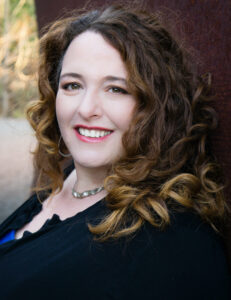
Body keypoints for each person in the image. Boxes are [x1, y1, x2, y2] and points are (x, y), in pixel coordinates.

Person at [0, 4, 230, 299]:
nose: (86, 109)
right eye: (72, 85)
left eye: (116, 89)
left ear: (156, 107)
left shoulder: (172, 244)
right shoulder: (64, 183)